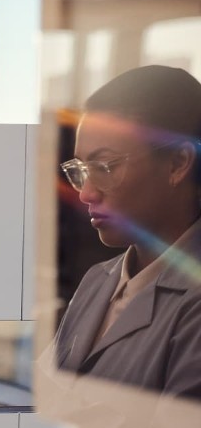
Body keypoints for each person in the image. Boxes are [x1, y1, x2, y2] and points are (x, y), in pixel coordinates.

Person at [53, 65, 201, 398]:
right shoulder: (98, 280)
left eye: (105, 167)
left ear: (178, 163)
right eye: (82, 170)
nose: (86, 193)